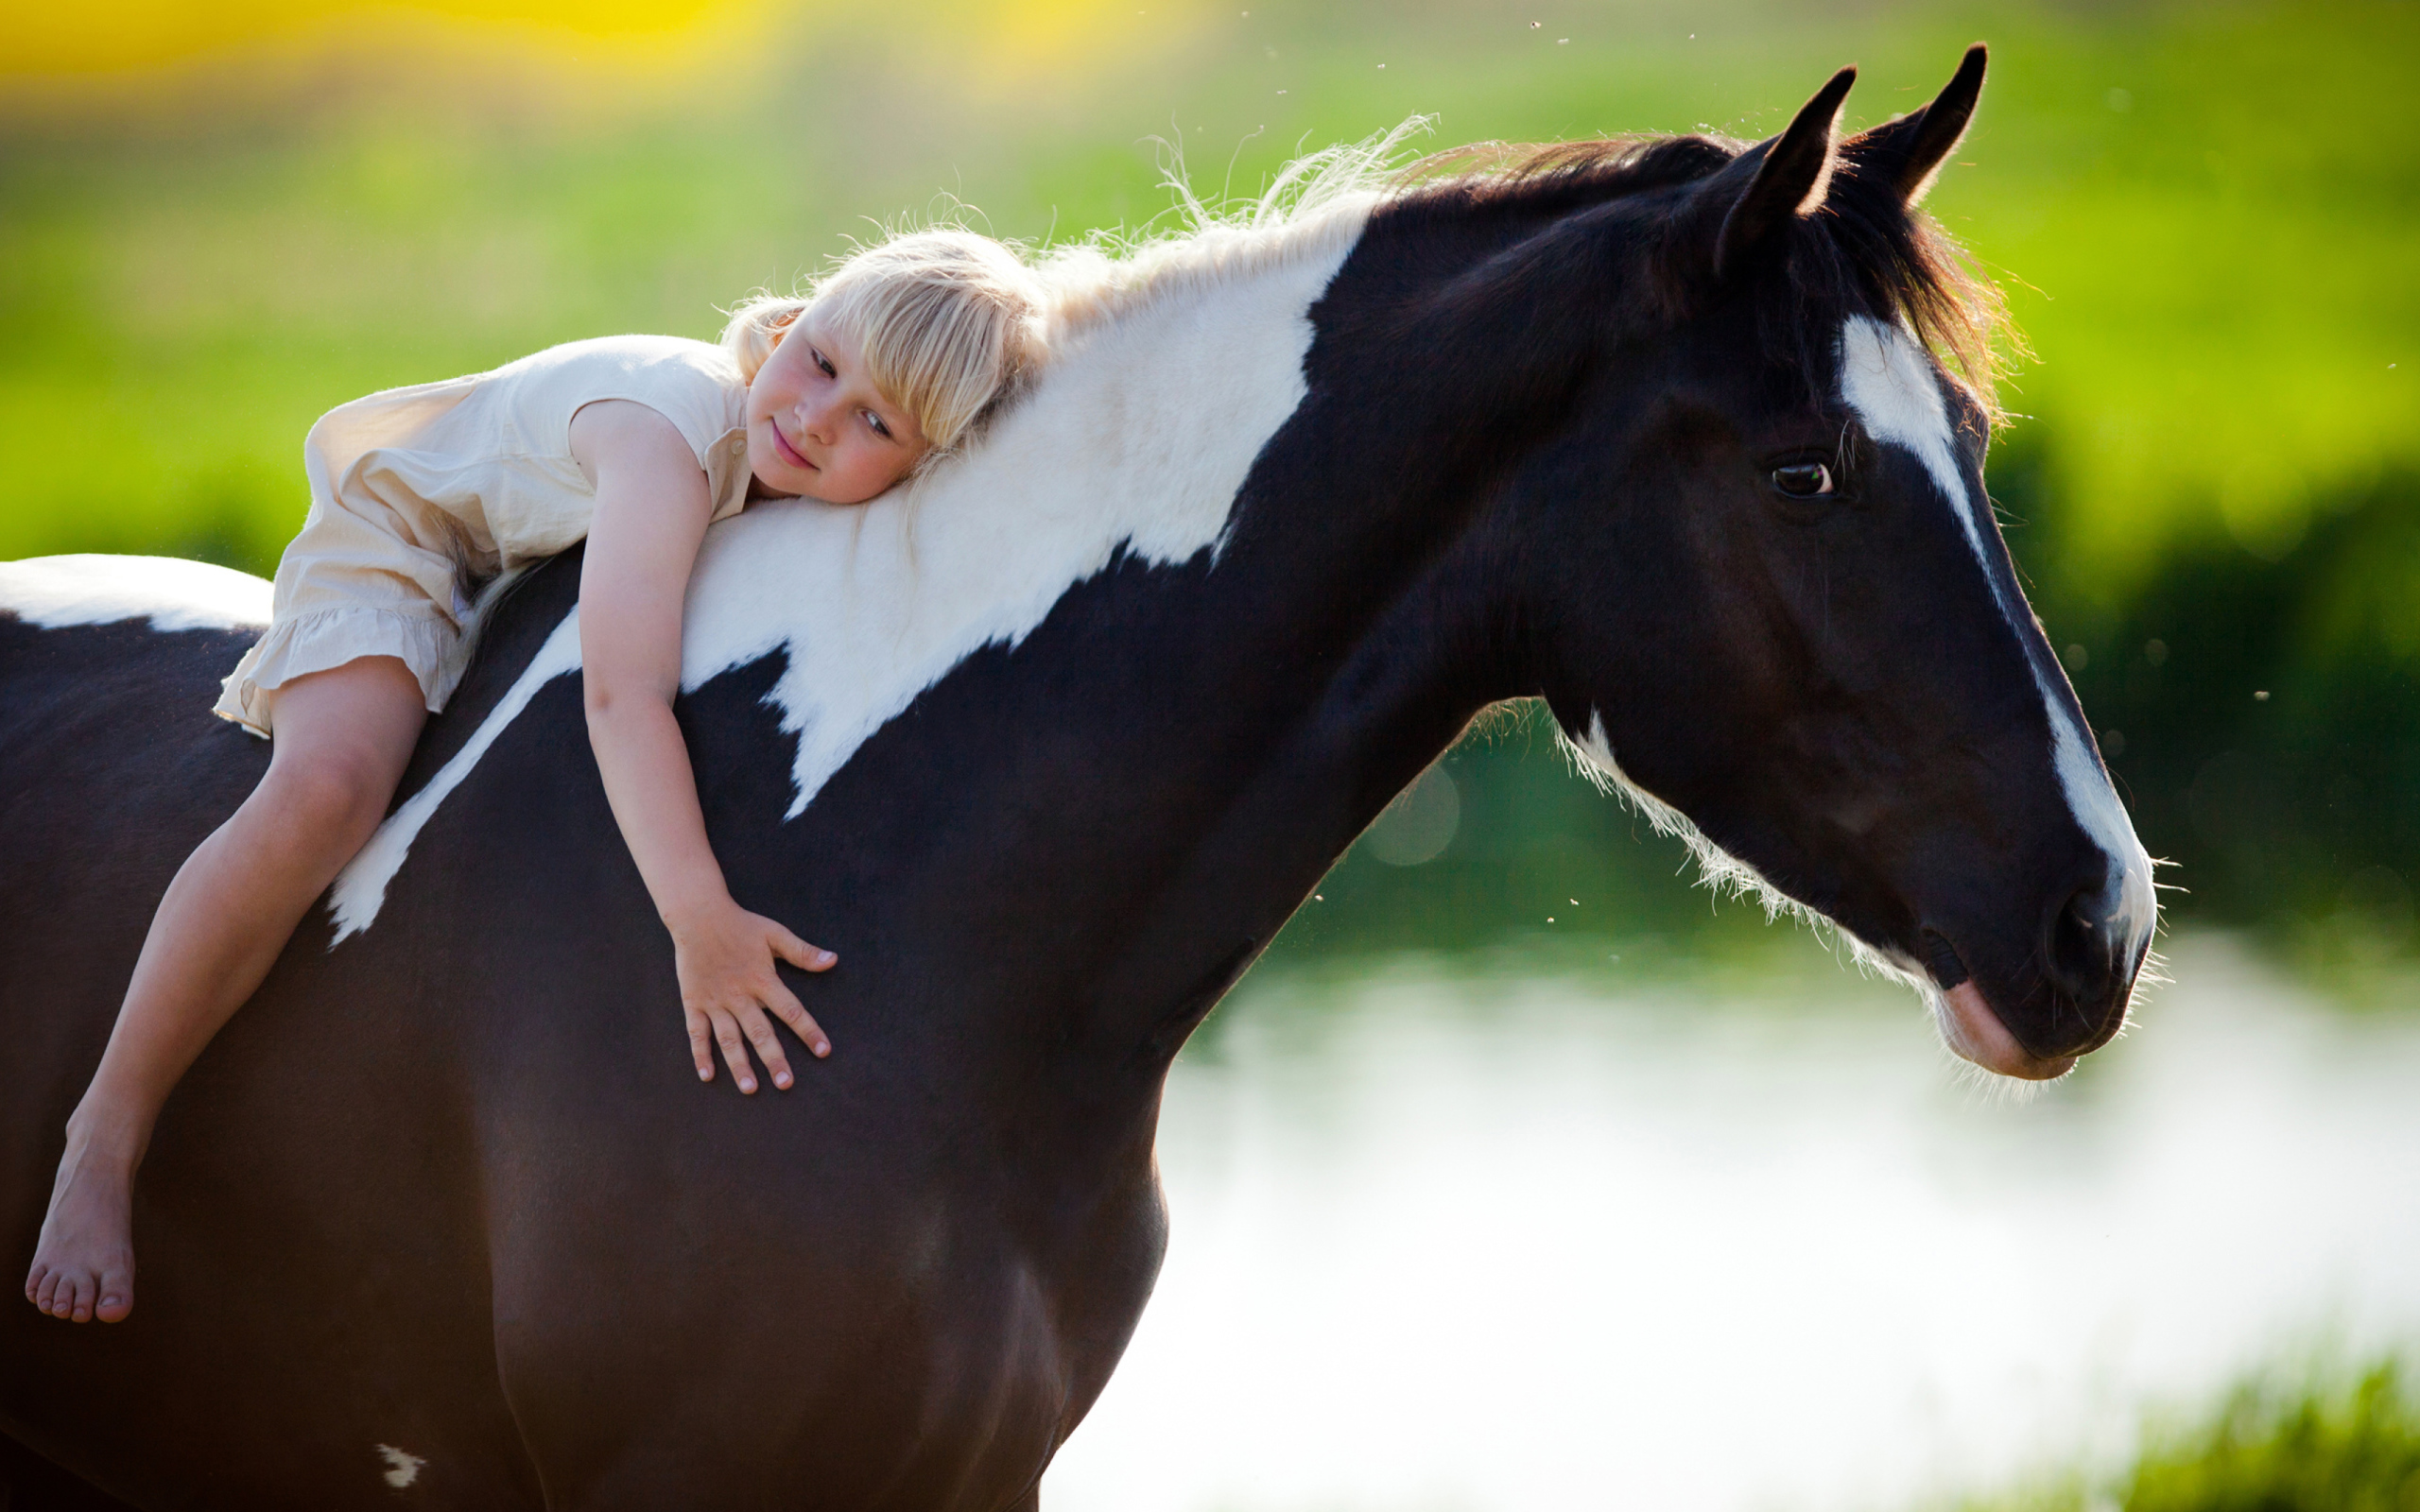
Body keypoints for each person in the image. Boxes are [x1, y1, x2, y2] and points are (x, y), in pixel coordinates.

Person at [24, 229, 1048, 1326]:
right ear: (789, 329)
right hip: (412, 546)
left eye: (875, 424)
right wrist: (698, 916)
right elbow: (622, 695)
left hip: (527, 578)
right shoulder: (667, 443)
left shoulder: (779, 454)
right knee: (330, 791)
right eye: (824, 366)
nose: (815, 418)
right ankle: (104, 1134)